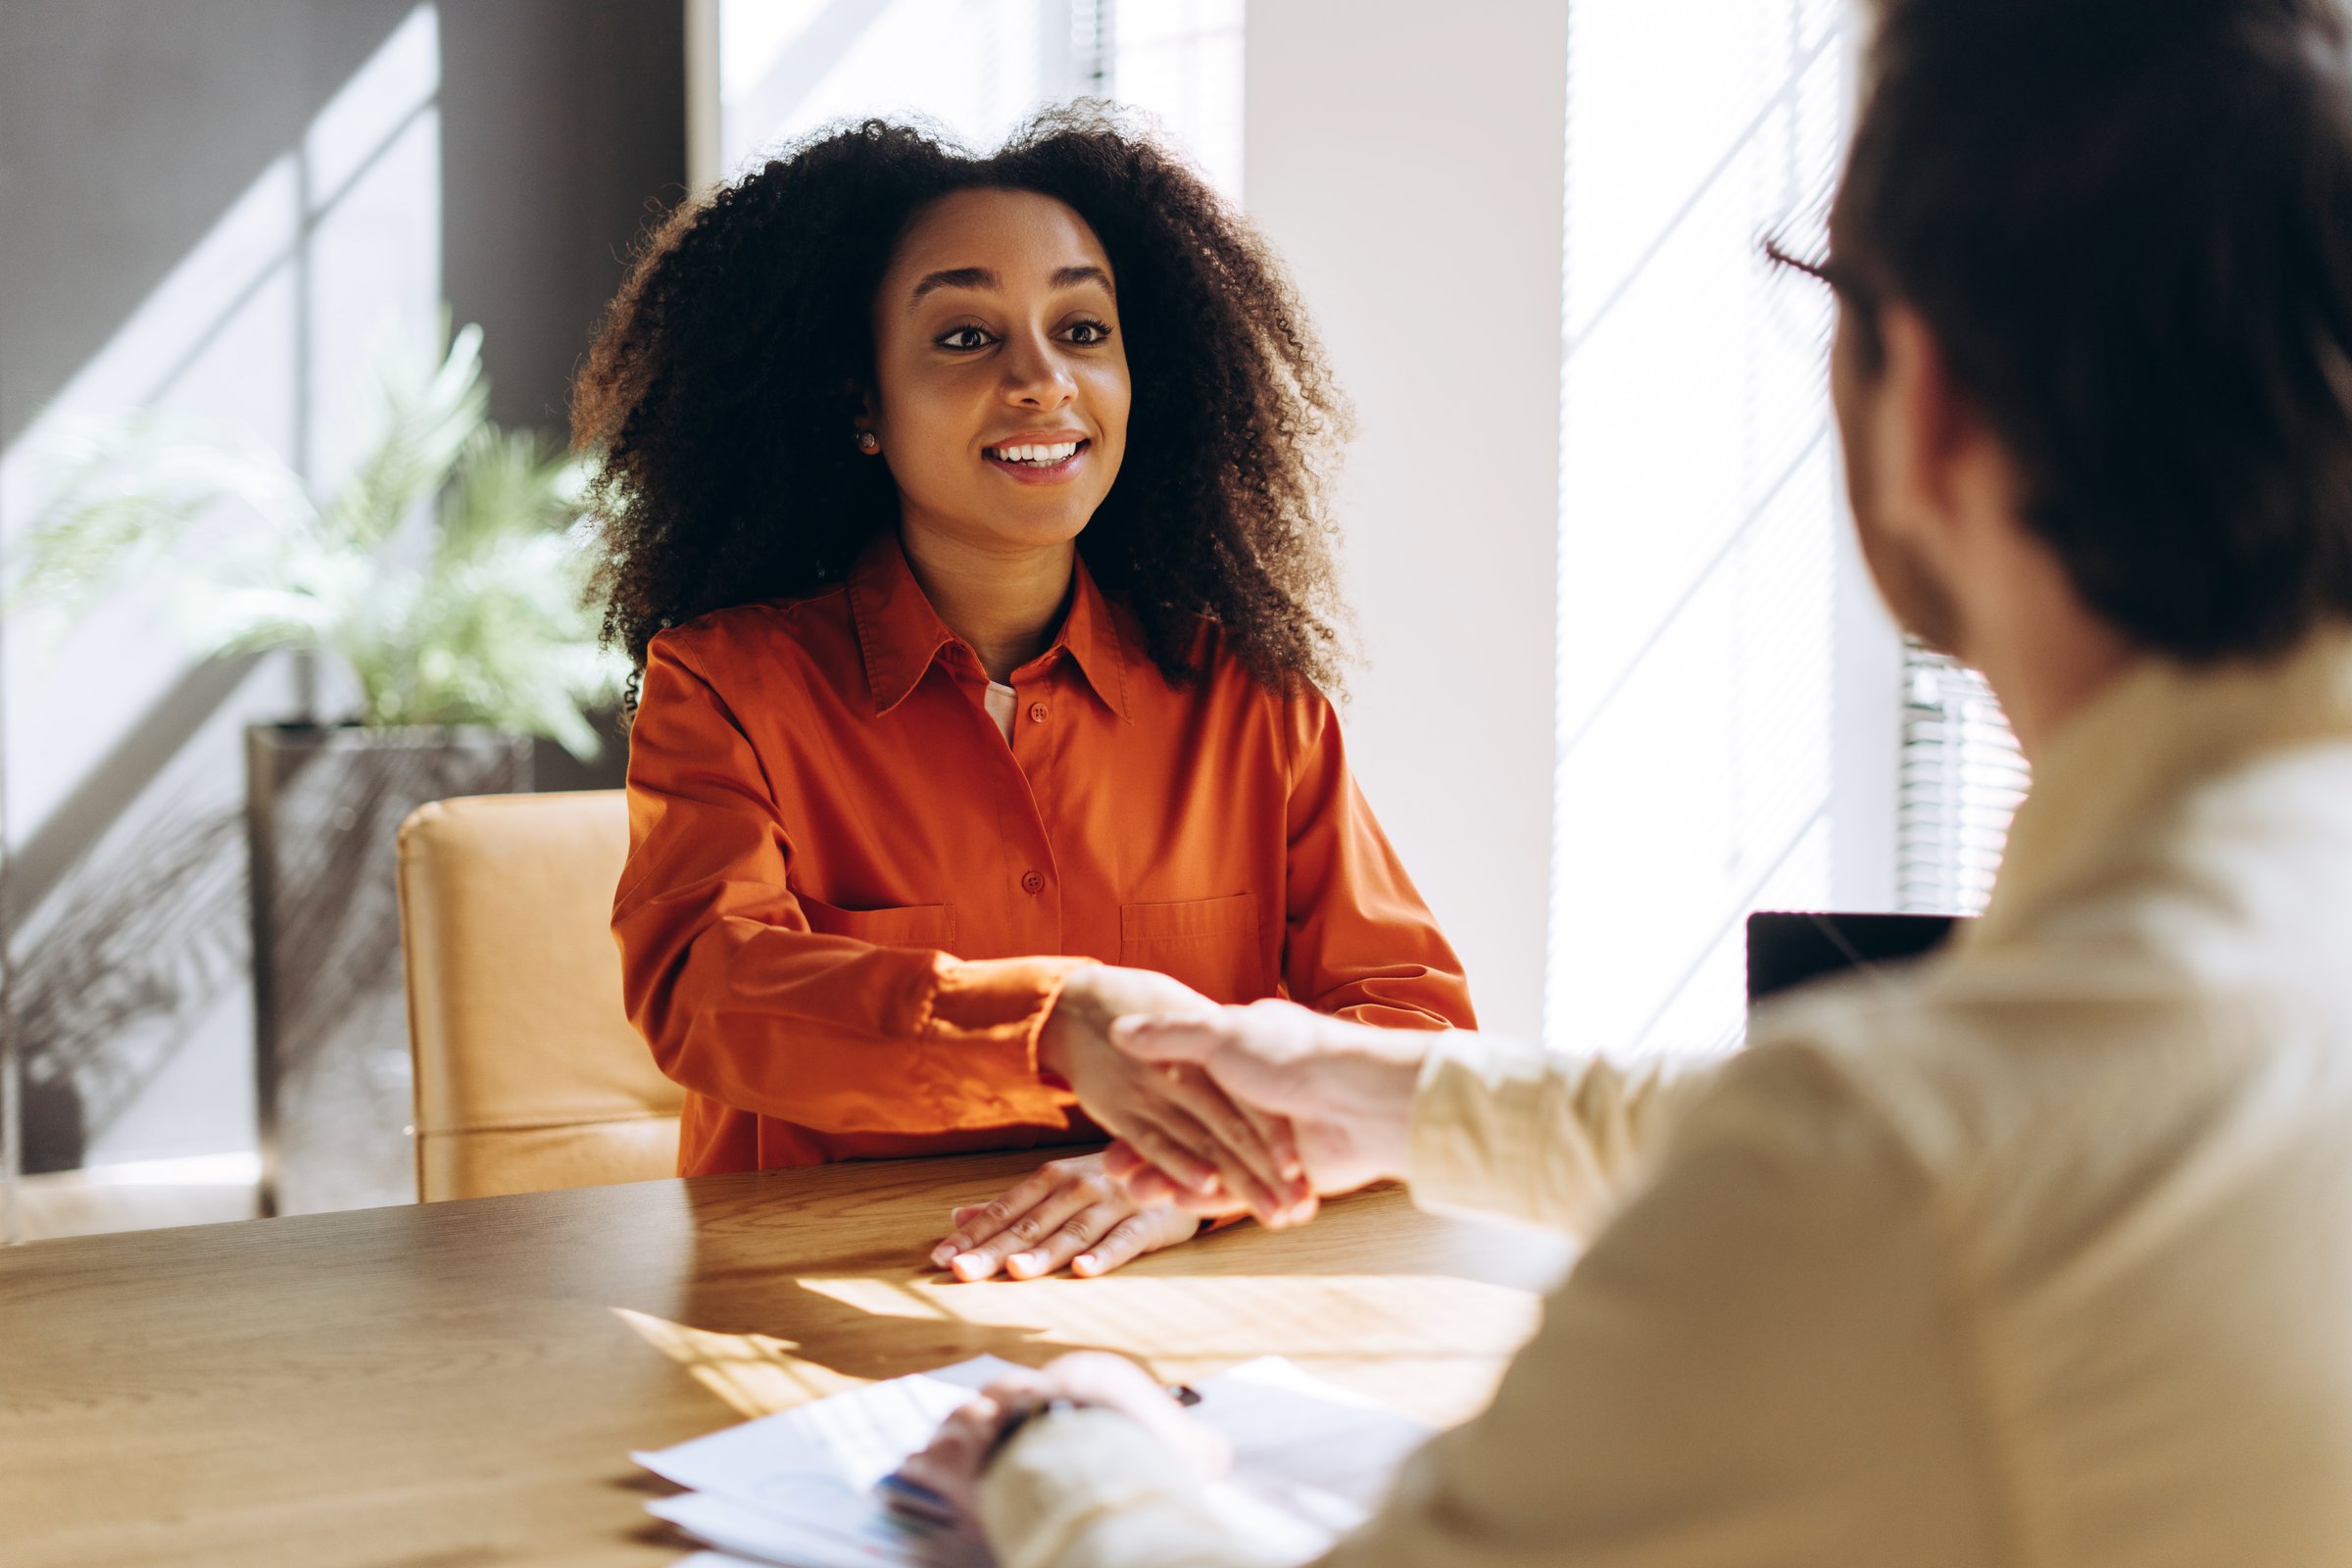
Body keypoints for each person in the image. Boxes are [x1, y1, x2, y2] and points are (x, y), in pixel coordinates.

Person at [899, 0, 2352, 1559]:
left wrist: (1070, 1456)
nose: (1038, 380)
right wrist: (1390, 1100)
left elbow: (1877, 1161)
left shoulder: (1905, 1166)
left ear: (1925, 404)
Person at [574, 111, 1474, 1284]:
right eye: (965, 336)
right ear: (861, 402)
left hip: (1187, 1309)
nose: (1044, 380)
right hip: (826, 1305)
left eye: (1083, 330)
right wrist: (1053, 1024)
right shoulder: (727, 687)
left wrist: (1187, 1179)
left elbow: (1415, 1031)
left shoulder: (1254, 704)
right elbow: (708, 989)